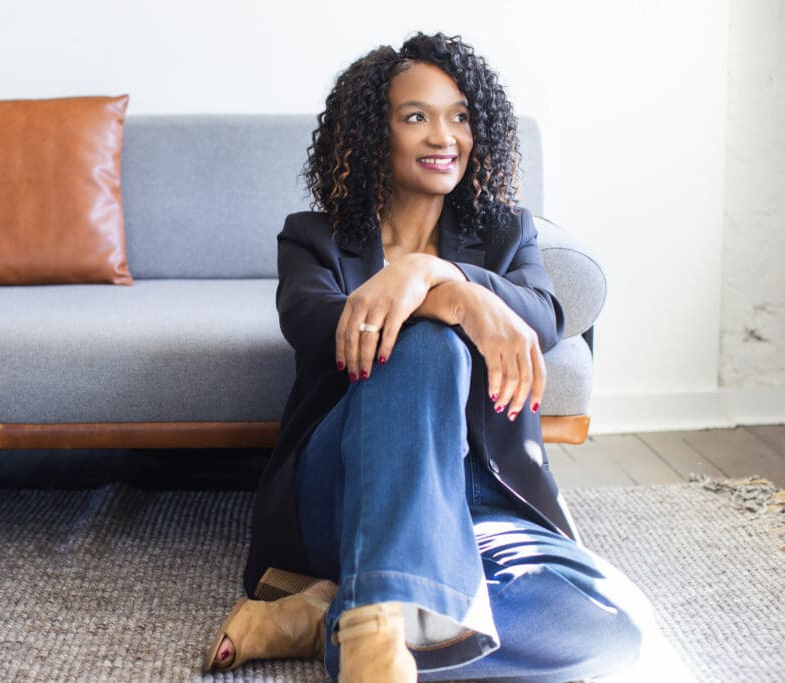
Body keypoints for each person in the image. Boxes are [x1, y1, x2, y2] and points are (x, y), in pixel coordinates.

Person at [204, 32, 653, 682]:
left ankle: (337, 615)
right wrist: (446, 301)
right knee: (425, 343)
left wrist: (434, 275)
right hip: (349, 490)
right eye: (416, 116)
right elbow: (316, 327)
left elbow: (546, 320)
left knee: (617, 630)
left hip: (477, 512)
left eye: (460, 116)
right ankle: (387, 603)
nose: (445, 136)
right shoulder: (315, 238)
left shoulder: (506, 233)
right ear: (370, 135)